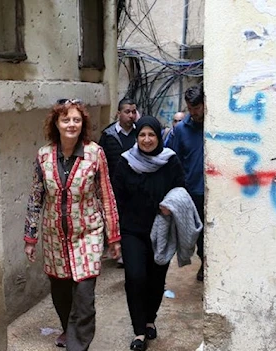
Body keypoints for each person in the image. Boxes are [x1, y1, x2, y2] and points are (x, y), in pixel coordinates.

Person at [24, 99, 122, 350]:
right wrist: (30, 237)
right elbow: (36, 196)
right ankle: (69, 329)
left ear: (83, 124)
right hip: (54, 236)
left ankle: (78, 345)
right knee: (61, 293)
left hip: (87, 233)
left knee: (85, 296)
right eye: (66, 119)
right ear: (56, 124)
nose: (71, 124)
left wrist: (113, 237)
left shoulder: (95, 153)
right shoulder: (44, 155)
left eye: (76, 120)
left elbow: (106, 195)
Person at [112, 116, 186, 351]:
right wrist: (115, 231)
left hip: (161, 230)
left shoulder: (170, 161)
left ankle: (150, 319)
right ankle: (139, 332)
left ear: (158, 136)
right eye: (142, 135)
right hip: (132, 230)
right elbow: (116, 196)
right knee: (135, 277)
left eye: (151, 135)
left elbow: (180, 189)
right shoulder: (126, 162)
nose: (146, 139)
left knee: (156, 280)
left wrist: (171, 204)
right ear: (137, 137)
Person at [166, 85, 206, 281]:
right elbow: (173, 158)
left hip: (213, 190)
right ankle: (204, 261)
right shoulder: (181, 130)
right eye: (191, 108)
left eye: (197, 108)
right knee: (198, 233)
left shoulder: (213, 125)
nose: (194, 112)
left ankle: (209, 265)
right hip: (193, 191)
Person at [99, 98, 138, 268]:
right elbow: (101, 162)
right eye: (127, 112)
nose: (131, 115)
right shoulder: (108, 136)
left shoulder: (140, 134)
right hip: (115, 187)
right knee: (118, 219)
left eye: (133, 112)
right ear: (118, 113)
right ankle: (120, 251)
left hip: (137, 186)